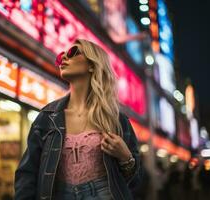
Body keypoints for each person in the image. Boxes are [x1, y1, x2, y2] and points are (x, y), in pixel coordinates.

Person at [14, 39, 141, 200]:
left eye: (73, 53)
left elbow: (135, 182)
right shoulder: (47, 117)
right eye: (62, 56)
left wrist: (126, 157)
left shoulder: (117, 120)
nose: (64, 58)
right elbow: (27, 173)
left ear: (92, 65)